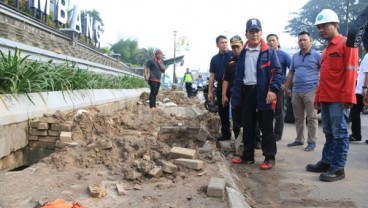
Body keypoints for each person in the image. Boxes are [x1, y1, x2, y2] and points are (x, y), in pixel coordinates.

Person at [306, 9, 358, 182]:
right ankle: (327, 161)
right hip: (326, 98)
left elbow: (351, 73)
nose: (320, 30)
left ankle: (338, 168)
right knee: (329, 132)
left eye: (324, 26)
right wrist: (318, 98)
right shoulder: (327, 49)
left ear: (335, 25)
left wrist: (348, 98)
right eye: (318, 27)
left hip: (339, 100)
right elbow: (324, 77)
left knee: (340, 133)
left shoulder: (347, 44)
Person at [230, 18, 283, 170]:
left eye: (257, 31)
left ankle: (269, 157)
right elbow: (238, 77)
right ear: (246, 34)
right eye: (251, 32)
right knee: (248, 126)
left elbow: (278, 73)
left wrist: (272, 90)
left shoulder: (269, 52)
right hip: (247, 93)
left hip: (264, 93)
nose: (254, 35)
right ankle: (247, 156)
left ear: (261, 33)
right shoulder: (243, 53)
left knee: (266, 127)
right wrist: (236, 97)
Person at [284, 31, 321, 152]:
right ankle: (299, 139)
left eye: (305, 40)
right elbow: (291, 72)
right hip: (296, 90)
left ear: (311, 41)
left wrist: (320, 89)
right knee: (298, 117)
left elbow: (324, 72)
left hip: (311, 90)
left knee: (312, 117)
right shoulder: (295, 56)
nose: (302, 42)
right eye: (300, 40)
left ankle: (312, 142)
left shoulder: (317, 56)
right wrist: (287, 87)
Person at [266, 34, 291, 141]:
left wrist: (285, 84)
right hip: (267, 88)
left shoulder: (284, 55)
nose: (271, 42)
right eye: (269, 41)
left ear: (277, 41)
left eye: (273, 40)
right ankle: (268, 133)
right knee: (267, 112)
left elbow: (292, 70)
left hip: (279, 88)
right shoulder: (265, 54)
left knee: (279, 112)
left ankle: (277, 135)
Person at [209, 35, 233, 141]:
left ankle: (239, 134)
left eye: (226, 42)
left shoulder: (233, 55)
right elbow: (212, 76)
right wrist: (210, 91)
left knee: (237, 110)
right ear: (217, 45)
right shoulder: (214, 59)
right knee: (223, 110)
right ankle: (226, 133)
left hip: (233, 85)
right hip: (220, 86)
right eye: (222, 42)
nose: (224, 44)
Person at [222, 35, 243, 140]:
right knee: (236, 120)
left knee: (251, 119)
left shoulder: (247, 59)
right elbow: (226, 80)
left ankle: (255, 141)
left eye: (238, 47)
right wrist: (223, 95)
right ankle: (238, 142)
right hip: (235, 94)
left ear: (242, 46)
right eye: (234, 47)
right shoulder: (230, 63)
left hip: (248, 94)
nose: (236, 50)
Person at [349, 48, 368, 142]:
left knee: (355, 111)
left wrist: (365, 88)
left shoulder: (367, 56)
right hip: (363, 89)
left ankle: (356, 135)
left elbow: (367, 73)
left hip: (362, 90)